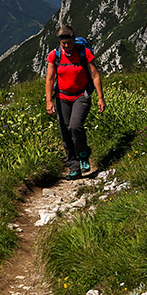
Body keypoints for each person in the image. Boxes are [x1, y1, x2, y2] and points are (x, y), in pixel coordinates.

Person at [45, 25, 105, 179]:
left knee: (75, 126)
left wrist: (100, 97)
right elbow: (50, 78)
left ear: (74, 40)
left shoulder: (84, 53)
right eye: (63, 43)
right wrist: (49, 100)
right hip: (62, 97)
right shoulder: (55, 55)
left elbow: (95, 75)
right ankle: (74, 167)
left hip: (81, 95)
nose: (66, 46)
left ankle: (83, 154)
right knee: (65, 132)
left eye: (69, 43)